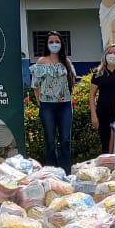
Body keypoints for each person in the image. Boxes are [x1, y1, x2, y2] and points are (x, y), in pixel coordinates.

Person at [30, 32, 75, 172]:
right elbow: (35, 85)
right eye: (51, 42)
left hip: (65, 106)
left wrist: (67, 97)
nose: (54, 44)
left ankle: (65, 171)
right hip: (47, 106)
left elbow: (71, 82)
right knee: (50, 141)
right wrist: (40, 103)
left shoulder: (66, 62)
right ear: (47, 44)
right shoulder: (41, 62)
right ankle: (52, 171)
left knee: (66, 140)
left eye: (57, 41)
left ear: (61, 44)